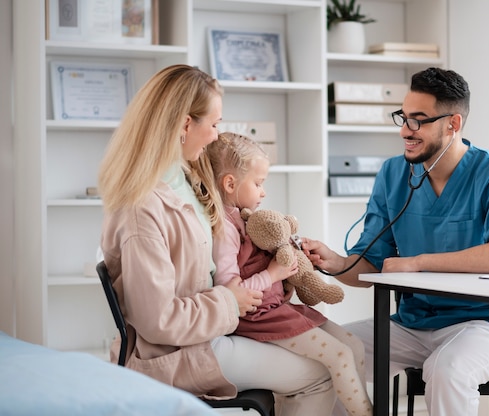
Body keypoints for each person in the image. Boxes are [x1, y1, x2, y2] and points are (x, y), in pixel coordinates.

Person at [97, 64, 337, 416]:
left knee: (324, 348)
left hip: (212, 331)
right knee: (322, 374)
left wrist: (268, 275)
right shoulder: (142, 209)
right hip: (179, 351)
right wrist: (230, 301)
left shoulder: (187, 178)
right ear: (184, 124)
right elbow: (157, 320)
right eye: (214, 124)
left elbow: (221, 258)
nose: (215, 136)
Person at [303, 67, 489, 416]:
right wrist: (333, 262)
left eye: (418, 121)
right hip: (414, 323)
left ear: (453, 124)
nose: (404, 131)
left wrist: (418, 261)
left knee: (448, 370)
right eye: (403, 117)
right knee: (323, 353)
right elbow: (372, 264)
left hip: (484, 325)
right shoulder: (393, 173)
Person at [187, 132, 372, 416]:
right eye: (259, 184)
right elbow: (232, 292)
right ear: (230, 183)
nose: (263, 192)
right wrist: (273, 273)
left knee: (353, 346)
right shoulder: (224, 230)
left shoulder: (242, 215)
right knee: (340, 356)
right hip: (259, 318)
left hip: (276, 309)